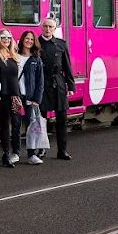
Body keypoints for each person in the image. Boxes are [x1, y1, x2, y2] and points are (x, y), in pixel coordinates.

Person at [39, 18, 76, 160]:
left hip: (58, 84)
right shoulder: (36, 43)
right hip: (42, 85)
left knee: (62, 119)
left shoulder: (61, 44)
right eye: (45, 26)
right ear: (42, 27)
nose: (47, 29)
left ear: (54, 29)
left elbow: (67, 66)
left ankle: (62, 150)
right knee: (41, 120)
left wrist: (71, 85)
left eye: (50, 27)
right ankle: (41, 149)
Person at [0, 29, 23, 168]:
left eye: (9, 37)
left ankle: (16, 152)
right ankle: (5, 154)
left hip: (14, 95)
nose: (6, 40)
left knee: (16, 125)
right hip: (2, 95)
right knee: (4, 125)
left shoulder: (14, 56)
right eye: (3, 37)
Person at [16, 30, 46, 165]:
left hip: (30, 97)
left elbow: (40, 81)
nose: (29, 41)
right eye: (27, 38)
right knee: (16, 125)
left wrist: (37, 99)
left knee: (31, 126)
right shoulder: (14, 56)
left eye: (32, 40)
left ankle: (31, 154)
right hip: (16, 95)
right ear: (22, 40)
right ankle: (15, 153)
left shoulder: (36, 59)